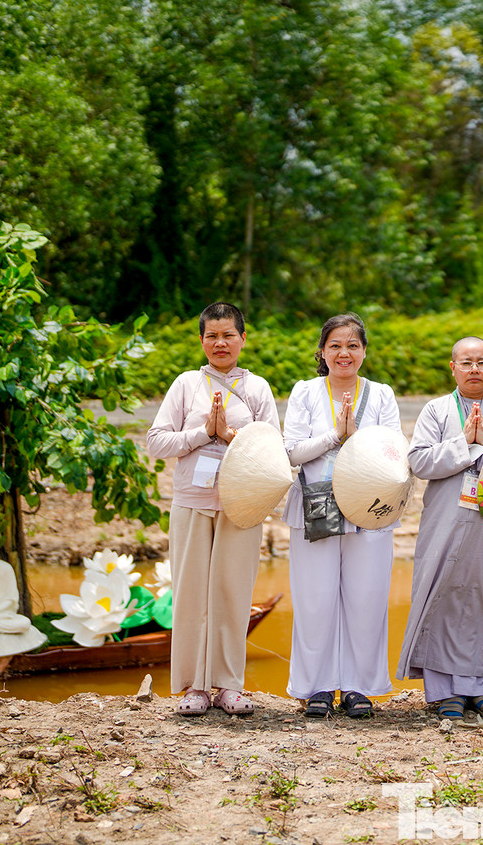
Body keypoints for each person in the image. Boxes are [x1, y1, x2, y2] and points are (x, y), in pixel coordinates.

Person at [146, 302, 279, 716]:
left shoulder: (257, 387)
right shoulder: (186, 384)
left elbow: (274, 449)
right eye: (211, 336)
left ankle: (227, 686)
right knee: (190, 594)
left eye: (228, 335)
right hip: (192, 502)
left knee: (232, 592)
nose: (220, 343)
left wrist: (232, 434)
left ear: (243, 338)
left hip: (241, 504)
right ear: (201, 340)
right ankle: (192, 687)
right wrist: (204, 432)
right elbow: (156, 442)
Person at [397, 336, 483, 719]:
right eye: (467, 362)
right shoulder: (436, 410)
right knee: (443, 592)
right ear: (452, 367)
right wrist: (464, 444)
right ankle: (443, 691)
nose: (475, 369)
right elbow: (419, 462)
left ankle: (478, 687)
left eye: (482, 362)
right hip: (446, 518)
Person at [282, 313, 402, 719]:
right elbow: (292, 451)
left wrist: (359, 439)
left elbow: (393, 450)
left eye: (352, 345)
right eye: (335, 345)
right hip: (315, 506)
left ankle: (358, 687)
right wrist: (335, 435)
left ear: (364, 351)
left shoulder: (381, 394)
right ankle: (316, 687)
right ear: (322, 351)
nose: (344, 353)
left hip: (370, 507)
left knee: (365, 598)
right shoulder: (306, 392)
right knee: (315, 599)